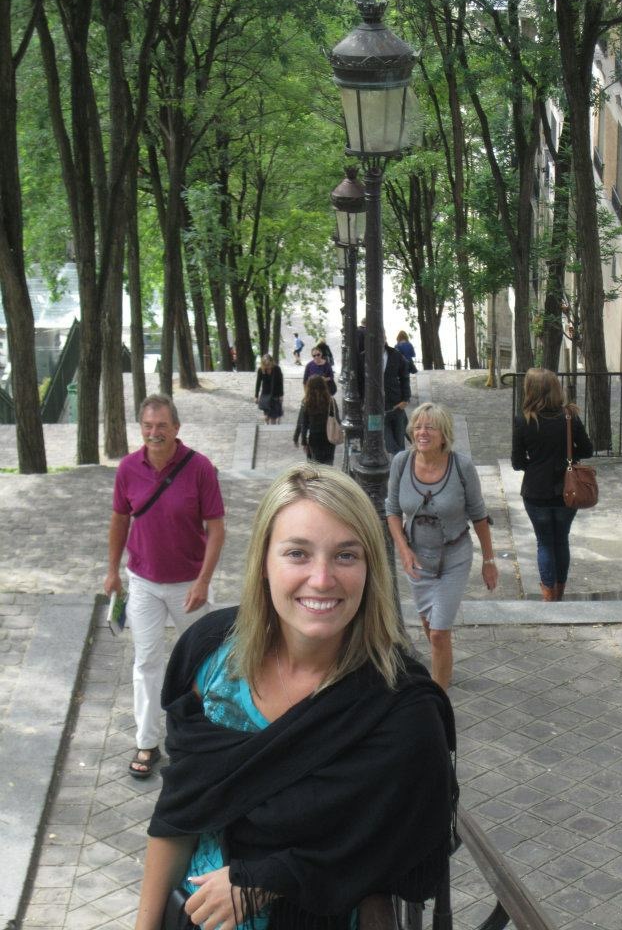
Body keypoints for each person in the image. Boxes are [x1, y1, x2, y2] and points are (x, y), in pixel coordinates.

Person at [134, 464, 456, 930]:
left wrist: (267, 880)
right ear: (264, 563)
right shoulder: (208, 660)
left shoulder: (400, 710)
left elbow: (388, 844)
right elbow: (181, 809)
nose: (322, 579)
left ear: (371, 569)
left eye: (346, 555)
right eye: (298, 554)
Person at [103, 394, 225, 779]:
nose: (154, 433)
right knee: (146, 661)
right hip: (143, 582)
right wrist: (112, 571)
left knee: (200, 662)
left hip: (189, 583)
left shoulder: (199, 468)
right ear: (141, 428)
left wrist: (204, 580)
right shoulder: (128, 468)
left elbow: (216, 529)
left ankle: (197, 738)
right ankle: (147, 741)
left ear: (176, 428)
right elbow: (120, 520)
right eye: (147, 426)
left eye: (161, 426)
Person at [386, 402, 498, 689]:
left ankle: (438, 696)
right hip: (418, 559)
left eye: (430, 427)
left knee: (438, 632)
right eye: (418, 427)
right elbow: (392, 511)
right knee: (429, 625)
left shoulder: (461, 466)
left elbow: (479, 515)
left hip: (454, 557)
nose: (422, 432)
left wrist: (489, 561)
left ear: (444, 434)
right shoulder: (401, 462)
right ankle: (443, 663)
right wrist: (404, 550)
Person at [511, 368, 593, 601]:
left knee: (544, 542)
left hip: (535, 491)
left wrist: (536, 464)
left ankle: (549, 594)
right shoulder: (569, 417)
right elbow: (587, 449)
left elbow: (517, 462)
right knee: (561, 540)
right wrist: (568, 457)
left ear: (531, 390)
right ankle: (559, 592)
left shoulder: (524, 420)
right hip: (567, 490)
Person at [293, 376, 336, 465]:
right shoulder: (331, 401)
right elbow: (337, 420)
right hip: (329, 437)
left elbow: (303, 423)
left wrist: (302, 441)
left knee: (314, 465)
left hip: (314, 438)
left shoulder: (307, 402)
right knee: (328, 465)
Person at [383, 336, 411, 454]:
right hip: (377, 408)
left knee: (399, 440)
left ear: (385, 338)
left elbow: (404, 377)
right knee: (388, 441)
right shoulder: (364, 356)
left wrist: (406, 399)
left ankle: (400, 461)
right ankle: (398, 459)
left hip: (396, 404)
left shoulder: (395, 355)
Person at [255, 354, 284, 424]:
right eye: (265, 365)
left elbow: (280, 382)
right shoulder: (261, 370)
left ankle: (273, 427)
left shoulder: (277, 369)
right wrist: (256, 396)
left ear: (271, 362)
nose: (267, 366)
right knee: (266, 417)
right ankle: (267, 425)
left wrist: (281, 395)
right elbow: (258, 383)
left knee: (273, 417)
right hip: (265, 394)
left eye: (268, 364)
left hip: (275, 394)